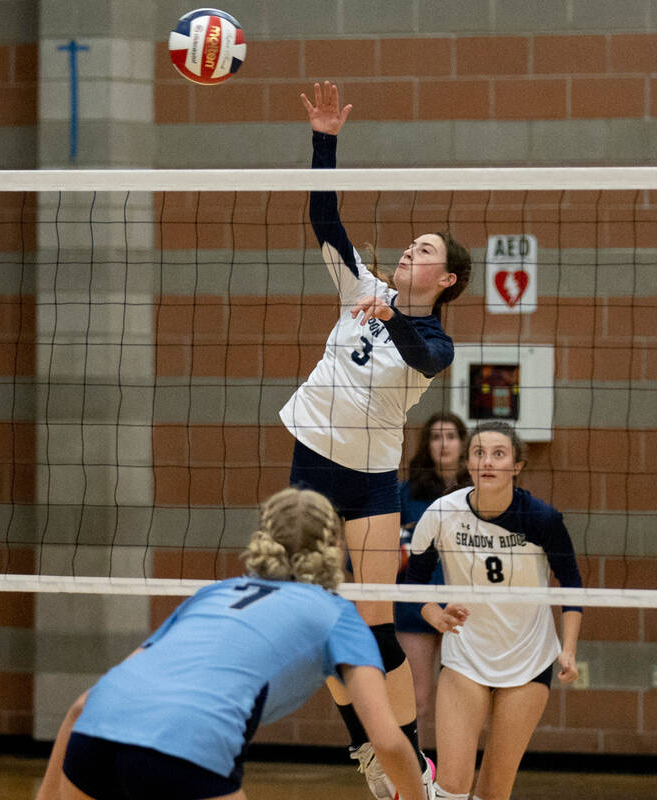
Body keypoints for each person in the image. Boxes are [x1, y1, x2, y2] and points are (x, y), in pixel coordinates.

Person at [282, 81, 472, 799]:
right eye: (409, 242)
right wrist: (325, 139)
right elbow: (323, 215)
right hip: (313, 460)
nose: (407, 250)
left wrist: (384, 313)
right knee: (319, 611)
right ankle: (370, 748)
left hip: (368, 478)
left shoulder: (434, 339)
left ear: (444, 278)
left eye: (423, 249)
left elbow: (421, 357)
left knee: (371, 613)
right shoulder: (357, 283)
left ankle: (404, 763)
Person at [35, 487, 431, 800]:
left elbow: (84, 703)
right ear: (335, 549)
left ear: (264, 539)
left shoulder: (213, 594)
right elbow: (386, 741)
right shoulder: (338, 614)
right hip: (185, 745)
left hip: (96, 734)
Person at [405, 421, 582, 800]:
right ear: (468, 463)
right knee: (452, 786)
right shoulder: (441, 513)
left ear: (517, 465)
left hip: (528, 660)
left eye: (498, 454)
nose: (487, 462)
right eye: (479, 453)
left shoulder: (542, 519)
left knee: (494, 790)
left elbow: (572, 585)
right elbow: (413, 581)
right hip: (466, 656)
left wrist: (567, 649)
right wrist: (432, 612)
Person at [395, 411, 466, 746]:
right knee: (418, 699)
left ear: (463, 444)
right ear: (426, 445)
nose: (444, 443)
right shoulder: (404, 494)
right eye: (436, 437)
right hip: (415, 607)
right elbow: (373, 549)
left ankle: (454, 775)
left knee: (462, 700)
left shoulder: (480, 492)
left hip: (463, 607)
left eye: (451, 436)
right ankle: (417, 777)